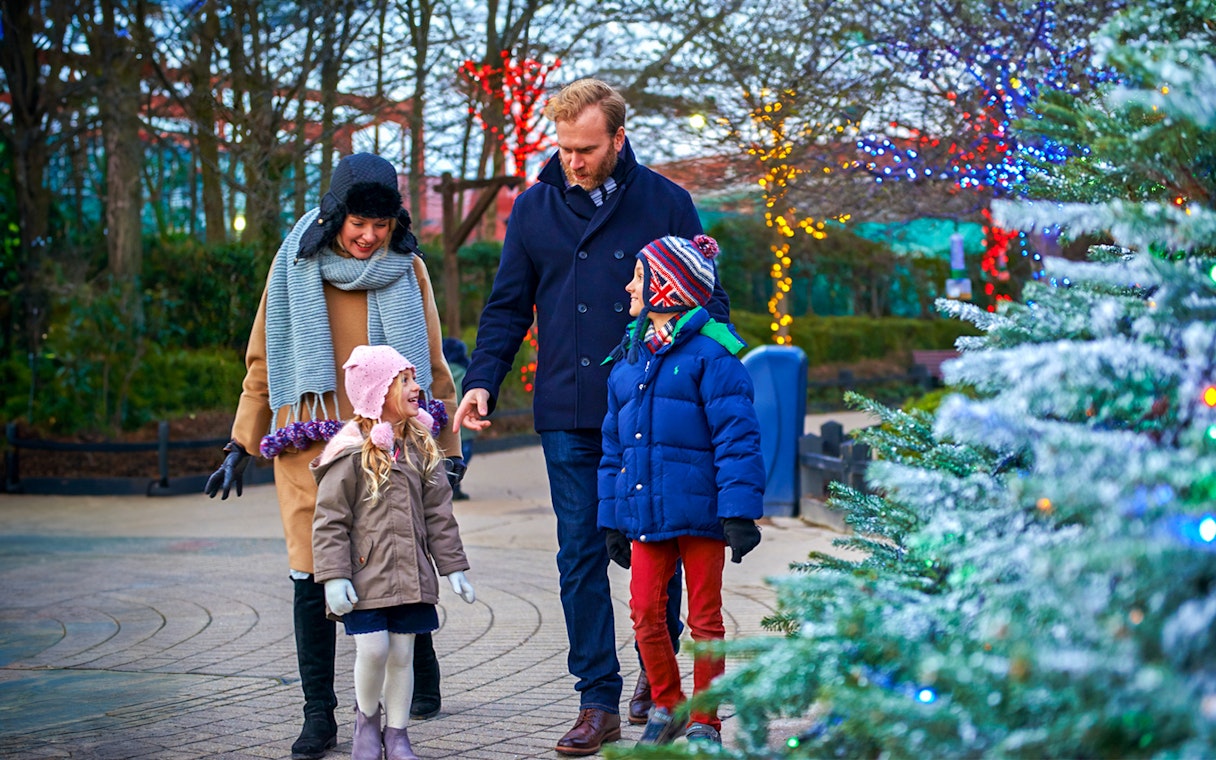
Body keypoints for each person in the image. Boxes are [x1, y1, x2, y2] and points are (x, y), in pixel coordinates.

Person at [452, 78, 731, 756]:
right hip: (570, 410)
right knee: (578, 552)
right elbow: (508, 305)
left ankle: (657, 680)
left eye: (587, 148)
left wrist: (713, 380)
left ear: (618, 138)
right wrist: (482, 381)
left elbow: (710, 308)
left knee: (655, 547)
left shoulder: (666, 201)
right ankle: (596, 699)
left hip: (651, 411)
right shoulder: (534, 207)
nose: (573, 161)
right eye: (565, 148)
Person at [204, 153, 465, 760]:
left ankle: (420, 675)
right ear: (333, 215)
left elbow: (429, 359)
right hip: (311, 443)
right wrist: (241, 443)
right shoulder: (293, 265)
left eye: (381, 224)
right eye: (358, 222)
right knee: (313, 572)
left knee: (401, 559)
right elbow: (263, 359)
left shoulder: (408, 268)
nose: (370, 236)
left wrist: (446, 447)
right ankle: (317, 714)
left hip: (389, 447)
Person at [598, 234, 764, 746]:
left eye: (639, 276)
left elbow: (738, 437)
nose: (629, 284)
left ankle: (704, 720)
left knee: (705, 618)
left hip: (703, 514)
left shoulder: (713, 357)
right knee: (646, 610)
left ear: (666, 288)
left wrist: (739, 511)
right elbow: (613, 448)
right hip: (646, 513)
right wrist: (612, 519)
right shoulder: (628, 362)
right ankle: (667, 705)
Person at [312, 345, 476, 760]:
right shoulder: (350, 452)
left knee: (403, 654)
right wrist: (333, 576)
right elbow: (330, 519)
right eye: (404, 381)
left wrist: (452, 567)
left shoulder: (421, 447)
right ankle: (367, 719)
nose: (416, 388)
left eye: (413, 378)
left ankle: (397, 733)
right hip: (365, 576)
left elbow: (439, 512)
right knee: (374, 650)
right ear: (376, 391)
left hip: (411, 575)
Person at [441, 337, 473, 500]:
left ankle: (449, 483)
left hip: (447, 424)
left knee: (448, 457)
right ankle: (455, 484)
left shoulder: (440, 375)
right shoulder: (465, 374)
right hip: (464, 426)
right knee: (464, 454)